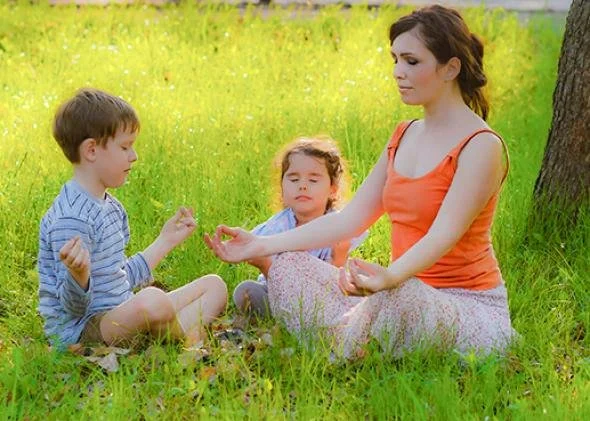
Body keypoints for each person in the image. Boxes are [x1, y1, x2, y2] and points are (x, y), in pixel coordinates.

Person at [205, 5, 517, 359]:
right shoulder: (404, 135)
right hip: (395, 293)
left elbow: (443, 235)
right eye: (395, 60)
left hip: (464, 307)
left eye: (412, 61)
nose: (398, 71)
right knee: (288, 263)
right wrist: (261, 244)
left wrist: (390, 277)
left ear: (451, 68)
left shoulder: (481, 146)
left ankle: (342, 344)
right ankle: (354, 339)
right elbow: (349, 220)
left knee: (402, 295)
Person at [38, 88, 227, 350]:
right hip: (83, 330)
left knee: (214, 286)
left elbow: (120, 277)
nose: (134, 156)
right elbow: (72, 308)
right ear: (91, 150)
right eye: (125, 147)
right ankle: (179, 338)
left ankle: (166, 333)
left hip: (121, 311)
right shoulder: (72, 219)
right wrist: (79, 276)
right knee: (153, 301)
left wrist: (165, 240)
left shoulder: (110, 207)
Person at [232, 136, 367, 318]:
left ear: (332, 189)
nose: (302, 186)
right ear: (282, 188)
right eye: (294, 180)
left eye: (313, 180)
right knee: (246, 291)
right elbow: (272, 275)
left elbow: (332, 282)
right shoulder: (278, 226)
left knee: (361, 280)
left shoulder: (337, 225)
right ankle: (281, 315)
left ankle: (320, 316)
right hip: (280, 293)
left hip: (322, 294)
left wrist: (339, 257)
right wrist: (263, 263)